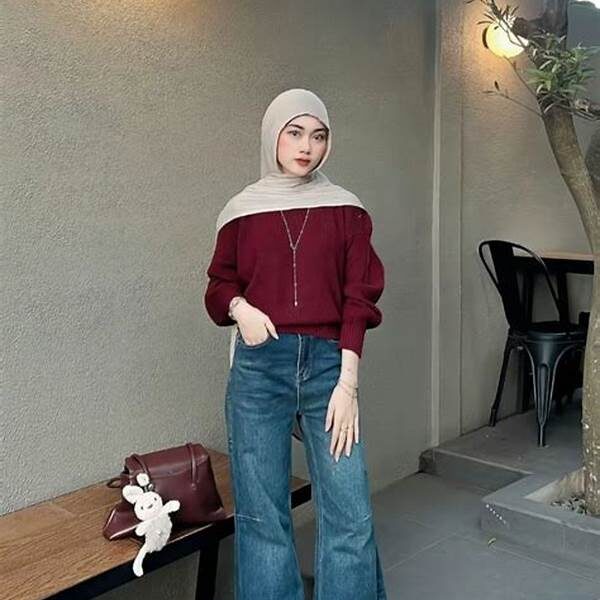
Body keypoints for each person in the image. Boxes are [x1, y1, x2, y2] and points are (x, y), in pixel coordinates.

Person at [204, 88, 387, 600]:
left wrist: (348, 383)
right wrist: (240, 309)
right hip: (260, 369)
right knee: (262, 515)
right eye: (295, 132)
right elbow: (218, 285)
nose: (307, 146)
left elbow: (358, 298)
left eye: (318, 136)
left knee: (349, 510)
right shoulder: (240, 212)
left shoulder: (347, 210)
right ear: (273, 136)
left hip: (330, 367)